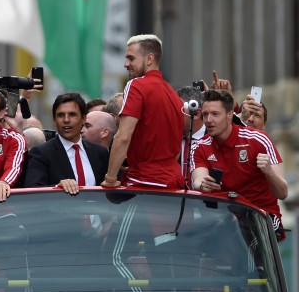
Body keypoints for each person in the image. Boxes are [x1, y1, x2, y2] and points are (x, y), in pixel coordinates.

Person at [192, 89, 287, 238]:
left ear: (230, 115)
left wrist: (268, 171)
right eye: (205, 115)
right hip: (225, 218)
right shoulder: (199, 146)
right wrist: (202, 185)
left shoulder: (258, 139)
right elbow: (198, 180)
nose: (208, 120)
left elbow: (283, 192)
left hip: (262, 215)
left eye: (215, 114)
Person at [102, 35, 184, 189]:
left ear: (149, 59)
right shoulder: (174, 95)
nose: (126, 64)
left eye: (131, 58)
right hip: (174, 183)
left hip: (144, 183)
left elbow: (123, 136)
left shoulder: (136, 85)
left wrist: (110, 178)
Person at [25, 93, 109, 195]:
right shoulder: (41, 153)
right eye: (60, 115)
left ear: (83, 119)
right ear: (54, 120)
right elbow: (32, 190)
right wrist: (57, 187)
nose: (66, 120)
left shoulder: (99, 153)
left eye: (72, 114)